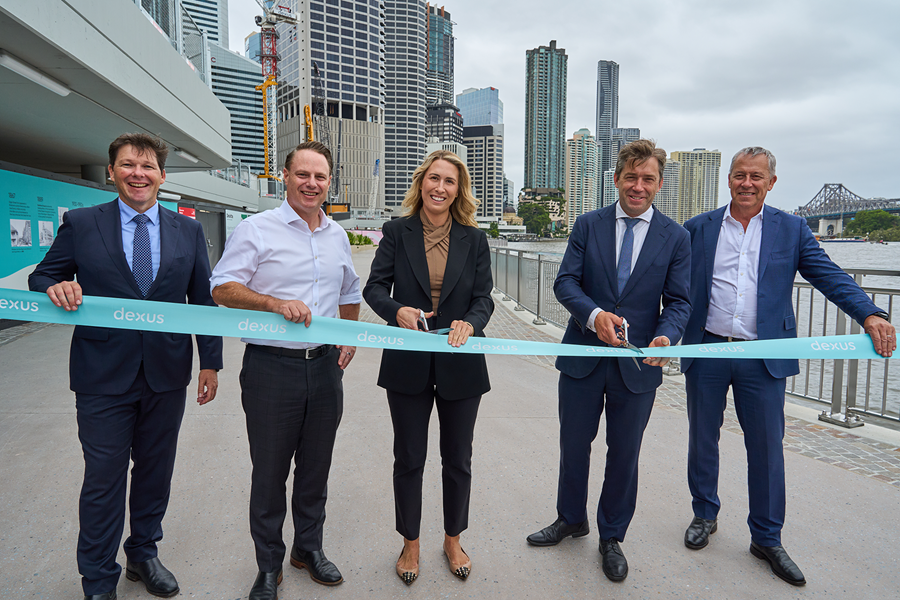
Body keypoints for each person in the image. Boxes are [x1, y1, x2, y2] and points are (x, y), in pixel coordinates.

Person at [680, 146, 895, 586]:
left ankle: (767, 537)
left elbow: (830, 275)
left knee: (766, 448)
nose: (747, 183)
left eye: (756, 176)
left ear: (771, 182)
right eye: (740, 174)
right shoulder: (698, 229)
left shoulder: (792, 229)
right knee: (703, 440)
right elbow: (668, 283)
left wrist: (872, 313)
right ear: (729, 179)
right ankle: (704, 514)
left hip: (763, 357)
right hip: (708, 352)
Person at [28, 133, 223, 600]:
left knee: (156, 471)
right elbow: (43, 274)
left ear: (161, 175)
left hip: (166, 373)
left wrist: (210, 363)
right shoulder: (81, 223)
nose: (139, 173)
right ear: (112, 171)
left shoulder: (188, 230)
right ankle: (98, 579)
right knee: (104, 477)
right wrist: (54, 287)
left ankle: (142, 553)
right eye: (129, 165)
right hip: (102, 375)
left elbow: (202, 299)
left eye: (149, 166)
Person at [526, 139, 692, 583]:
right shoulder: (587, 224)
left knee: (624, 454)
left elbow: (679, 301)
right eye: (631, 177)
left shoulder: (676, 237)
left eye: (648, 179)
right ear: (617, 179)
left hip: (637, 368)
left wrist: (666, 335)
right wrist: (595, 316)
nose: (638, 186)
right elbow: (566, 283)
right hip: (582, 356)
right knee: (573, 445)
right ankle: (570, 518)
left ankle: (611, 536)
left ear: (658, 184)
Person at [209, 141, 361, 600]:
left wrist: (348, 337)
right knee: (270, 472)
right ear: (285, 176)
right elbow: (222, 287)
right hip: (270, 368)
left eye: (320, 176)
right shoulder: (258, 229)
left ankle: (307, 550)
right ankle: (268, 566)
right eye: (303, 175)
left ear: (330, 181)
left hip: (324, 369)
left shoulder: (336, 235)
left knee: (315, 469)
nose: (311, 184)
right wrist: (272, 303)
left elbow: (350, 292)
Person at [363, 150, 493, 585]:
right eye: (433, 179)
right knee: (409, 458)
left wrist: (470, 323)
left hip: (461, 364)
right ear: (421, 184)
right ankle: (411, 542)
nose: (440, 187)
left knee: (458, 459)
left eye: (449, 181)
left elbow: (484, 299)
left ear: (459, 190)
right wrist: (397, 310)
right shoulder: (397, 232)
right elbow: (375, 287)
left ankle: (453, 538)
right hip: (407, 362)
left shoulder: (474, 239)